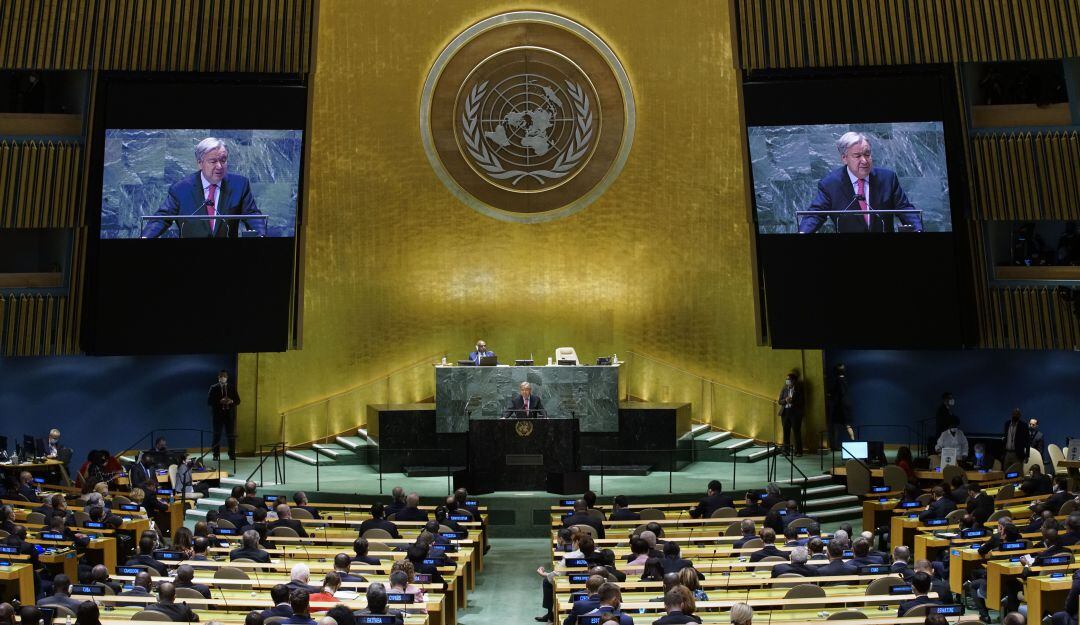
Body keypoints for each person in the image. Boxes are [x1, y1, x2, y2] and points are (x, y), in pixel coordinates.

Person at [798, 131, 922, 234]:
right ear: (844, 158)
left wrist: (918, 229)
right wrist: (803, 232)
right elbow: (815, 215)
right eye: (857, 156)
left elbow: (905, 209)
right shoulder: (830, 184)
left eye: (867, 154)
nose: (864, 160)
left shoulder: (888, 179)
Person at [140, 137, 265, 238]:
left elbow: (252, 215)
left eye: (223, 160)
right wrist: (146, 237)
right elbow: (162, 218)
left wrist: (261, 235)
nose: (220, 166)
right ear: (200, 163)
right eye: (213, 161)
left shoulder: (239, 185)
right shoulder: (181, 189)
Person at [207, 370, 241, 461]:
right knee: (217, 435)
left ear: (227, 377)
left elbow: (238, 400)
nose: (223, 378)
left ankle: (232, 454)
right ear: (218, 377)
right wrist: (219, 401)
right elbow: (209, 401)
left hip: (229, 415)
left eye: (224, 376)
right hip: (218, 416)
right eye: (221, 376)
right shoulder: (213, 388)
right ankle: (216, 454)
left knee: (231, 435)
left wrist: (231, 401)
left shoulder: (231, 387)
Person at [825, 364, 854, 450]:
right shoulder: (845, 380)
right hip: (846, 405)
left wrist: (830, 394)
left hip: (839, 406)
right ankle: (853, 442)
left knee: (835, 426)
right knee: (847, 425)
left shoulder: (838, 381)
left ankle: (834, 445)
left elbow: (837, 393)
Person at [777, 371, 804, 456]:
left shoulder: (799, 389)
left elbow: (802, 401)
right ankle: (786, 451)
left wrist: (793, 401)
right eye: (787, 379)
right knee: (786, 432)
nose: (787, 380)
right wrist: (785, 400)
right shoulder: (784, 389)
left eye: (789, 379)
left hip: (795, 413)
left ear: (794, 380)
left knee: (796, 432)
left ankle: (798, 451)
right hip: (785, 413)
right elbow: (779, 401)